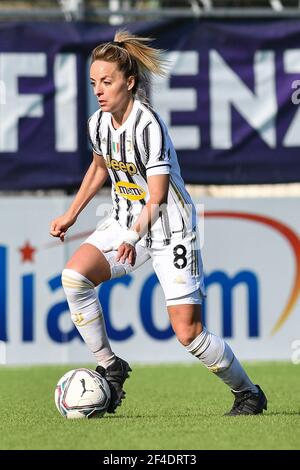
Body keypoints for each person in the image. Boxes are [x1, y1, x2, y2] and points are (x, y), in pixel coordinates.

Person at [50, 30, 267, 416]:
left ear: (129, 83)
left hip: (169, 228)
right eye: (93, 83)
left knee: (188, 332)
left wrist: (134, 237)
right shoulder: (98, 122)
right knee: (74, 277)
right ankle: (111, 367)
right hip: (124, 220)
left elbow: (159, 196)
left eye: (107, 81)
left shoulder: (148, 125)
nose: (99, 90)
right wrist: (72, 213)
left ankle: (248, 393)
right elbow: (99, 167)